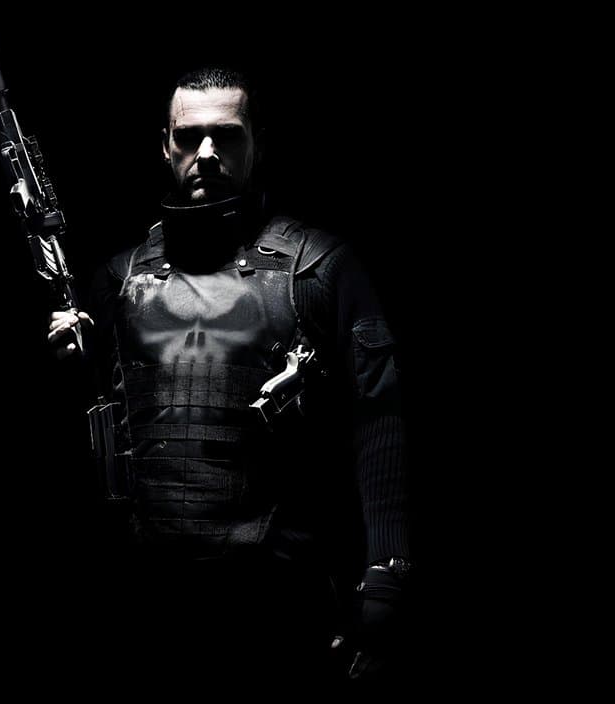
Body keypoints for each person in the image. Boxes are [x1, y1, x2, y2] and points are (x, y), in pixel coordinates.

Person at [47, 68, 412, 687]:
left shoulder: (319, 268)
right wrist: (66, 372)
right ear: (165, 146)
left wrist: (388, 571)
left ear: (257, 144)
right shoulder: (118, 279)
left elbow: (380, 418)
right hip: (146, 603)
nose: (208, 153)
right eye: (189, 137)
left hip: (277, 602)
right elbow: (105, 433)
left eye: (228, 135)